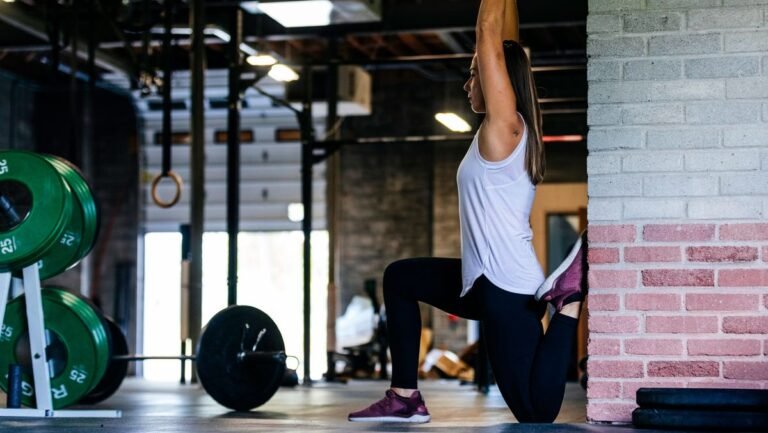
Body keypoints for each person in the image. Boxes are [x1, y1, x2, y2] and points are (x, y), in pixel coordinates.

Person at [347, 0, 588, 424]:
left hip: (510, 289)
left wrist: (490, 28)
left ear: (501, 78)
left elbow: (490, 32)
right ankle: (405, 397)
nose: (468, 83)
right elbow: (505, 35)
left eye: (475, 73)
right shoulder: (500, 133)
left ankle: (567, 302)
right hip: (479, 282)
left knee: (538, 412)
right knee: (399, 278)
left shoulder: (506, 129)